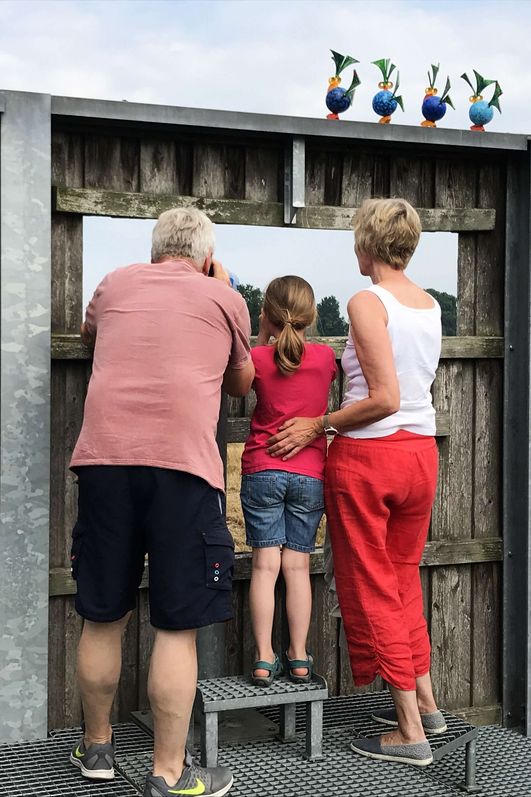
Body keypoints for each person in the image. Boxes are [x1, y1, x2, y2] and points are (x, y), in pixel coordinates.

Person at [68, 207, 253, 797]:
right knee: (177, 628)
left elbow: (90, 336)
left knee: (102, 614)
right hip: (184, 470)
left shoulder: (116, 282)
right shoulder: (223, 296)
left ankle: (97, 749)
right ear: (205, 256)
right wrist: (218, 286)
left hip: (104, 462)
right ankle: (169, 774)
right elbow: (241, 382)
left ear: (154, 251)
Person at [267, 198, 444, 767]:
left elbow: (382, 399)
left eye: (354, 237)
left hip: (372, 459)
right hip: (420, 455)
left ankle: (409, 731)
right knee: (402, 580)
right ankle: (428, 703)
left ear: (368, 243)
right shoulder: (430, 304)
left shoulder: (368, 301)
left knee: (371, 586)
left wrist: (319, 422)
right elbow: (408, 396)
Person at [240, 276, 337, 686]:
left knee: (265, 566)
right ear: (311, 317)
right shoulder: (326, 358)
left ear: (268, 315)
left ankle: (264, 658)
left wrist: (262, 336)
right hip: (309, 473)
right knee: (297, 568)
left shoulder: (258, 358)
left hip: (263, 468)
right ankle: (298, 656)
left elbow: (239, 385)